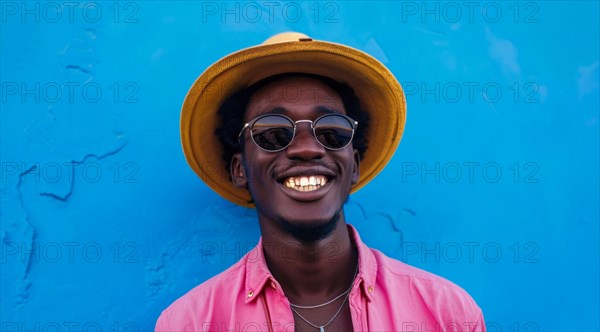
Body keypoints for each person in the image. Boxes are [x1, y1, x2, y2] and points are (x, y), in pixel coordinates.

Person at [156, 32, 485, 332]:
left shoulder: (446, 314)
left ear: (353, 165)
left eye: (332, 131)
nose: (307, 148)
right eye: (272, 132)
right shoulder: (190, 323)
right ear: (240, 169)